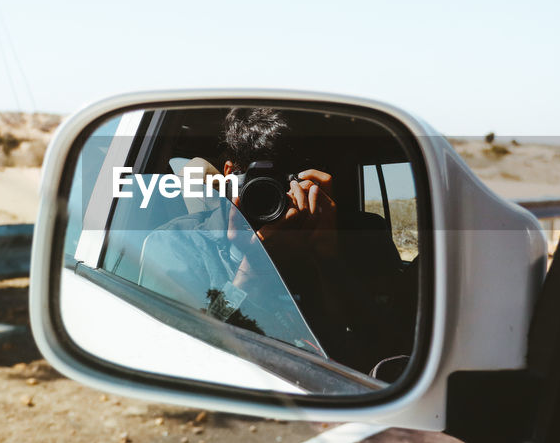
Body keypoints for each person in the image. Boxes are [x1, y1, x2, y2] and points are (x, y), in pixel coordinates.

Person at [136, 107, 412, 377]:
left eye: (288, 184)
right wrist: (251, 272)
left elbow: (394, 350)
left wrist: (331, 260)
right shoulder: (177, 243)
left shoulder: (362, 236)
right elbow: (181, 357)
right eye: (262, 183)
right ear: (231, 175)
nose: (275, 198)